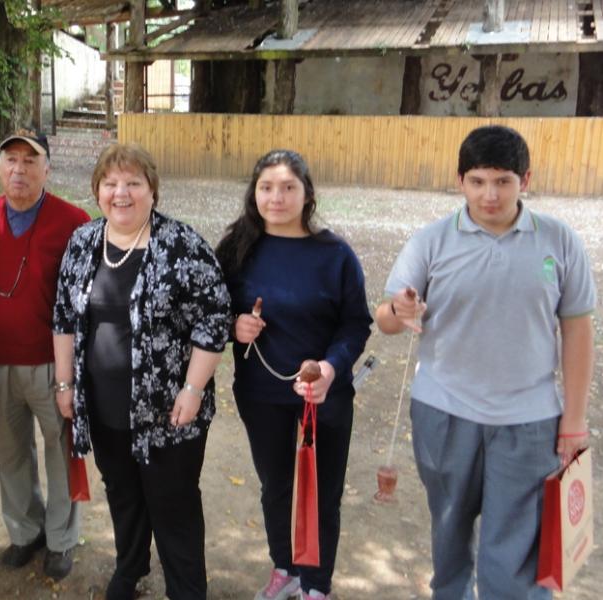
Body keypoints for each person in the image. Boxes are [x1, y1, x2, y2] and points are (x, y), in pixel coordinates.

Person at [375, 125, 595, 599]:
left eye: (502, 181)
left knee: (513, 547)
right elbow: (387, 318)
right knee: (449, 528)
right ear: (460, 181)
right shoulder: (430, 241)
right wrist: (400, 310)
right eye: (477, 181)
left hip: (530, 419)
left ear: (525, 179)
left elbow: (577, 330)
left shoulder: (559, 242)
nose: (489, 194)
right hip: (444, 413)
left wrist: (574, 420)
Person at [52, 143, 231, 600]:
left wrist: (193, 389)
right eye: (110, 183)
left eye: (133, 182)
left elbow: (214, 318)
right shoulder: (84, 242)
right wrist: (65, 383)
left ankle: (186, 589)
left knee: (173, 503)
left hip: (169, 411)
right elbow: (64, 318)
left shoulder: (182, 244)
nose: (121, 193)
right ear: (97, 191)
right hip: (105, 404)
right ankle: (130, 568)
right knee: (123, 494)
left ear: (153, 190)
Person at [215, 150, 372, 600]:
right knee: (276, 486)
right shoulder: (236, 248)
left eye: (288, 188)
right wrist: (234, 325)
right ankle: (285, 566)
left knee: (322, 493)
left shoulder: (335, 254)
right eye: (266, 187)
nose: (276, 197)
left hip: (324, 395)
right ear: (254, 193)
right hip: (261, 392)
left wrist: (330, 367)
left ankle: (316, 585)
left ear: (307, 195)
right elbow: (208, 310)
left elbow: (356, 323)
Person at [0, 130, 89, 581]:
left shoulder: (73, 220)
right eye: (10, 161)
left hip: (53, 363)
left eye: (30, 160)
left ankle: (62, 538)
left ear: (47, 168)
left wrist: (75, 372)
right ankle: (25, 531)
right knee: (11, 452)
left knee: (62, 452)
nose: (19, 170)